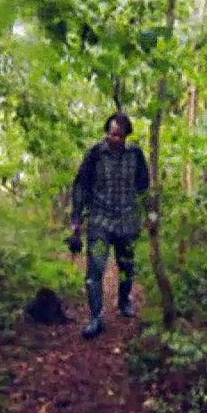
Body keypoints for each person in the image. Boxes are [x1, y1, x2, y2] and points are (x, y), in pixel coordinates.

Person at [69, 111, 152, 339]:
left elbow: (144, 186)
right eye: (111, 134)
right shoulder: (95, 154)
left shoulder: (135, 155)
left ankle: (124, 301)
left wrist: (150, 214)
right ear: (107, 132)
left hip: (127, 220)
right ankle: (96, 317)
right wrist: (76, 220)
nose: (114, 139)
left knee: (126, 266)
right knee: (95, 269)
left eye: (119, 135)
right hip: (100, 221)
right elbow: (80, 186)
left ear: (126, 135)